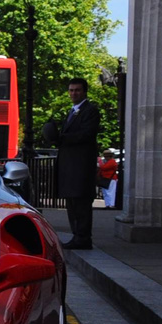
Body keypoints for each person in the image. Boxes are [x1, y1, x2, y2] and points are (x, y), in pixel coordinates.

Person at [46, 78, 100, 249]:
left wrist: (61, 138)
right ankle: (77, 235)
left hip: (81, 165)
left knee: (81, 202)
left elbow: (86, 134)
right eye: (71, 90)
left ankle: (83, 237)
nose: (73, 93)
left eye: (77, 90)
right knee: (72, 202)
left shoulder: (90, 111)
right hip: (70, 166)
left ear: (84, 92)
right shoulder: (72, 111)